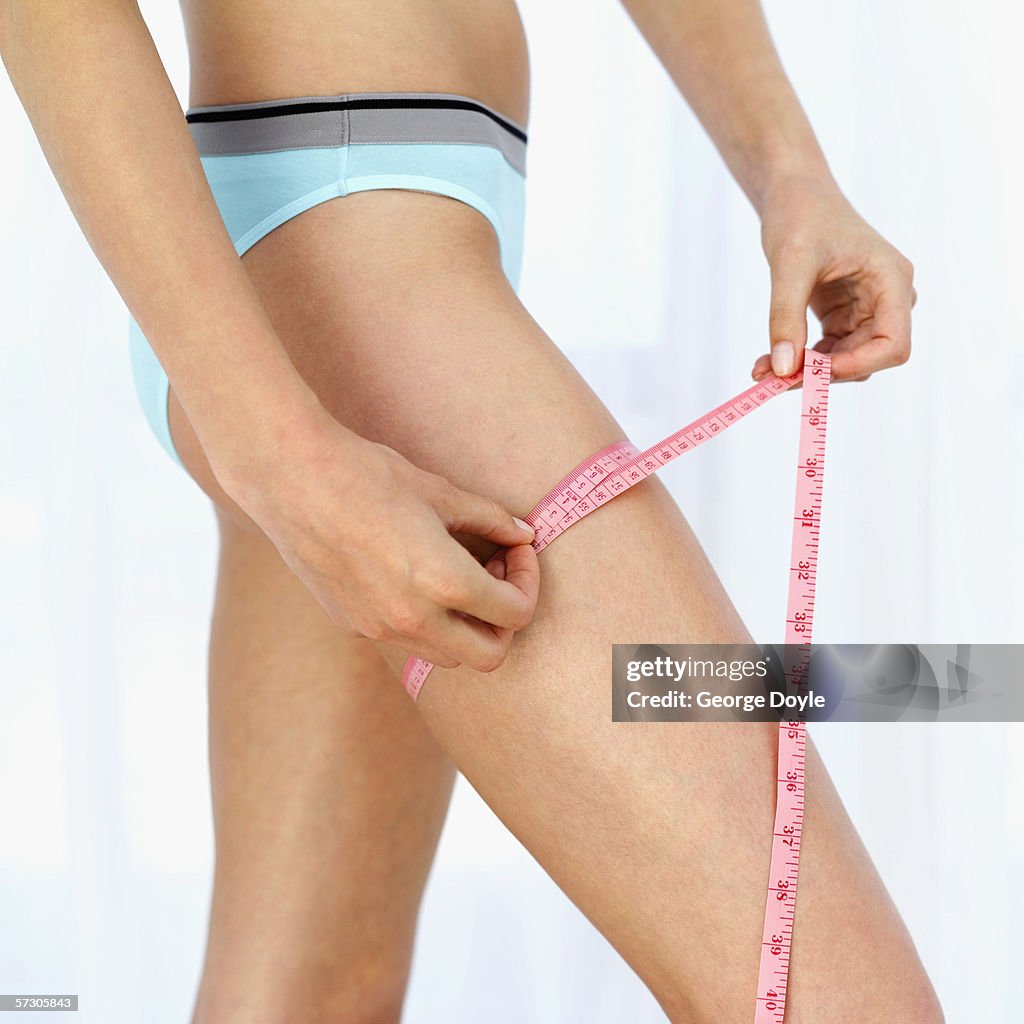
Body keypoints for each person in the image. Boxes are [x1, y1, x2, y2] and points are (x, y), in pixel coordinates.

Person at [1, 2, 938, 1022]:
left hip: (380, 231)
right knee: (842, 1002)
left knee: (310, 997)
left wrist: (786, 167)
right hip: (349, 252)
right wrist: (282, 457)